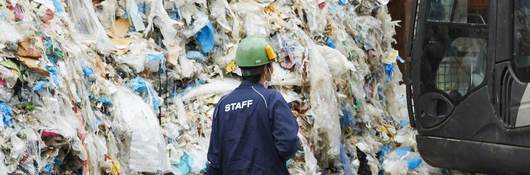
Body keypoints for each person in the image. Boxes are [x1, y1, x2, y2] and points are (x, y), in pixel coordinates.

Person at [207, 36, 300, 175]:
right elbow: (289, 143)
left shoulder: (223, 104)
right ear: (266, 69)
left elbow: (215, 158)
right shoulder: (271, 99)